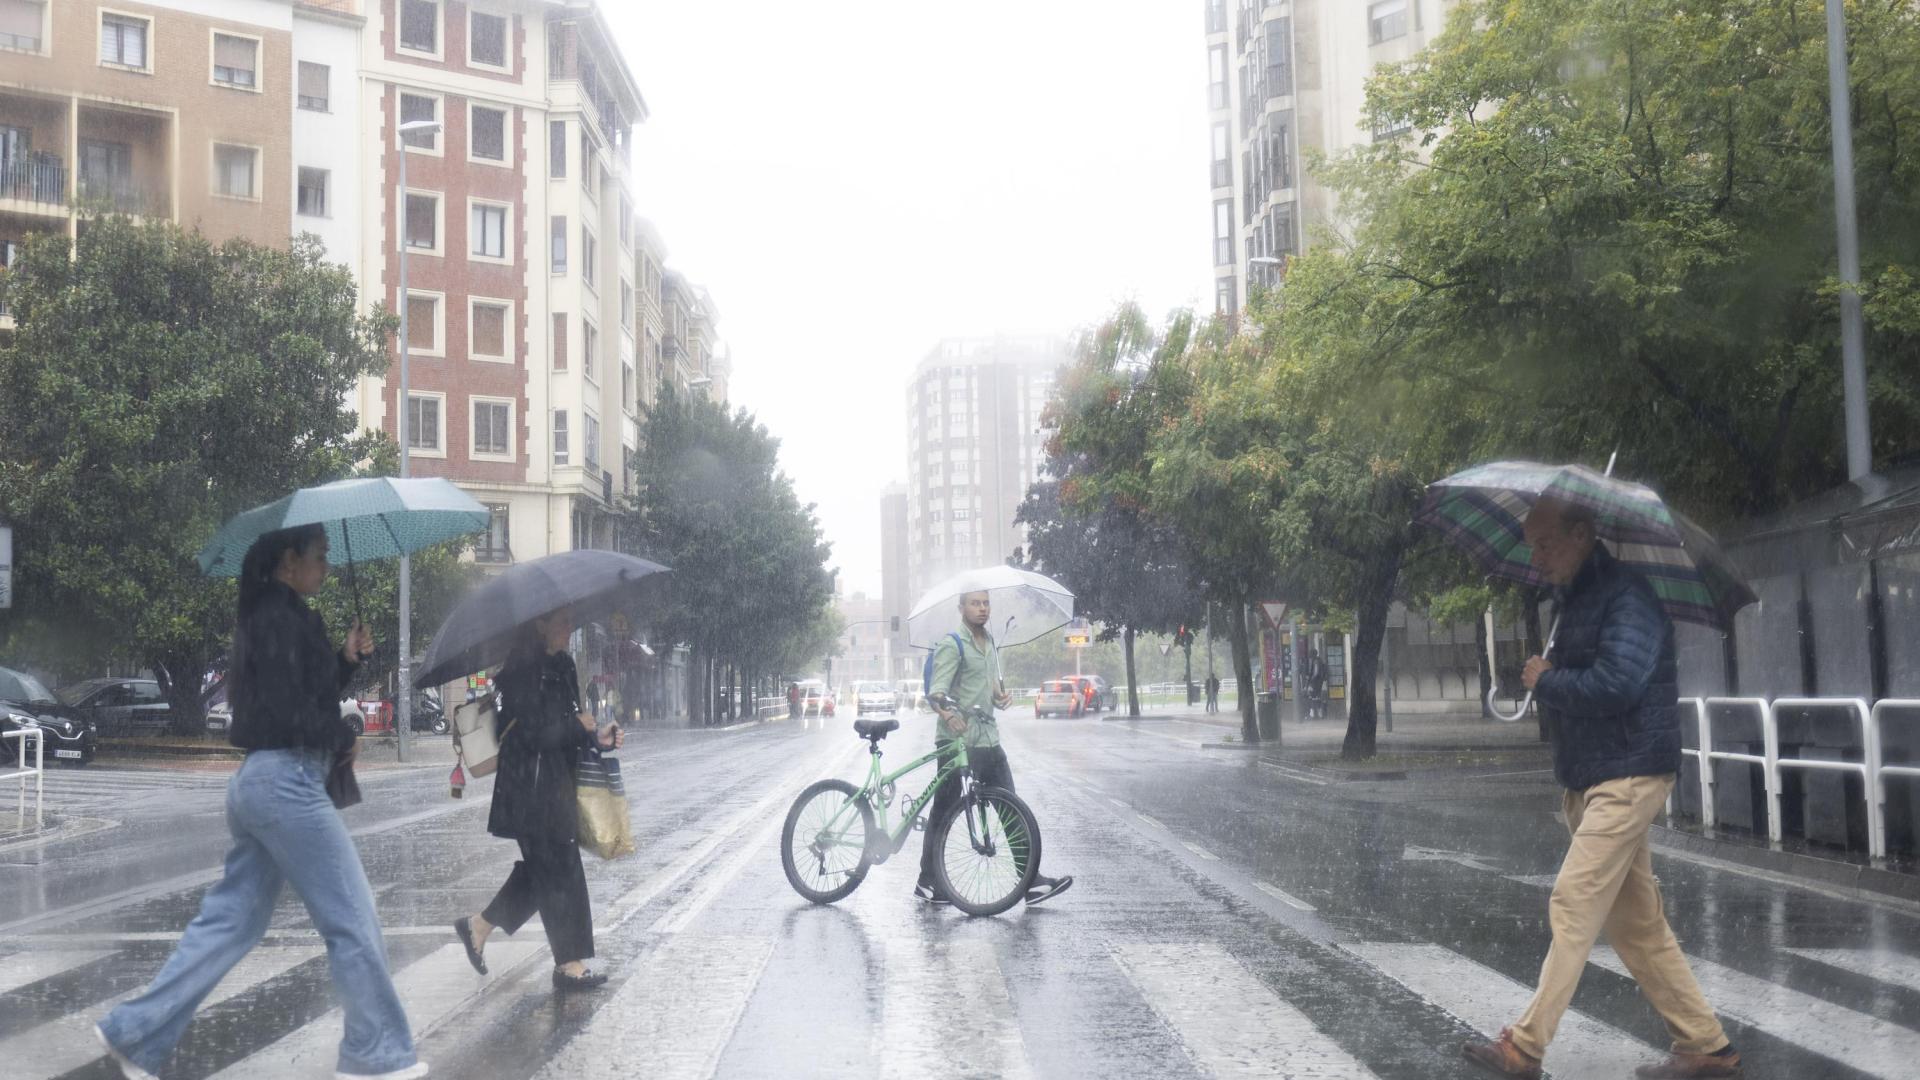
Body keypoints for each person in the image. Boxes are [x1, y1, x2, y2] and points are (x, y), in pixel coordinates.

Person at [95, 525, 424, 1080]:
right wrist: (342, 736)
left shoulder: (279, 616)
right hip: (286, 782)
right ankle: (377, 1056)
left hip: (265, 783)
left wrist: (344, 659)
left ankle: (135, 1033)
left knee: (230, 923)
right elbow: (285, 713)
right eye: (319, 556)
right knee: (353, 915)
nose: (326, 566)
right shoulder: (278, 620)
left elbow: (301, 694)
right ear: (287, 561)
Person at [1463, 499, 1740, 1080]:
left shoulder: (1628, 597)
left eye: (1545, 544)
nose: (1536, 558)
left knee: (1573, 899)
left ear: (1583, 534)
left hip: (1629, 772)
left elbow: (1618, 684)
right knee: (1636, 923)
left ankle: (1526, 1046)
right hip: (1595, 774)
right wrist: (1553, 674)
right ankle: (1706, 1047)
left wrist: (1549, 680)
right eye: (1531, 546)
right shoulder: (1577, 599)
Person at [453, 605, 624, 993]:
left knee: (546, 871)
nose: (569, 627)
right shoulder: (519, 673)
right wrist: (573, 726)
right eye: (562, 621)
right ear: (540, 624)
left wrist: (598, 737)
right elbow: (529, 737)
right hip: (527, 790)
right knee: (559, 873)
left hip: (557, 784)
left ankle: (479, 926)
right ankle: (568, 964)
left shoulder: (563, 666)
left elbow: (570, 728)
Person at [916, 591, 1072, 906]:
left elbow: (988, 688)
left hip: (987, 739)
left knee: (1010, 808)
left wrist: (1000, 697)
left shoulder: (989, 644)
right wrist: (948, 714)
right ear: (961, 608)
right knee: (944, 809)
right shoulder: (952, 644)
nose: (982, 608)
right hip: (955, 742)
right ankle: (928, 881)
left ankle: (1029, 881)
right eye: (975, 603)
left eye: (986, 603)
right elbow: (937, 693)